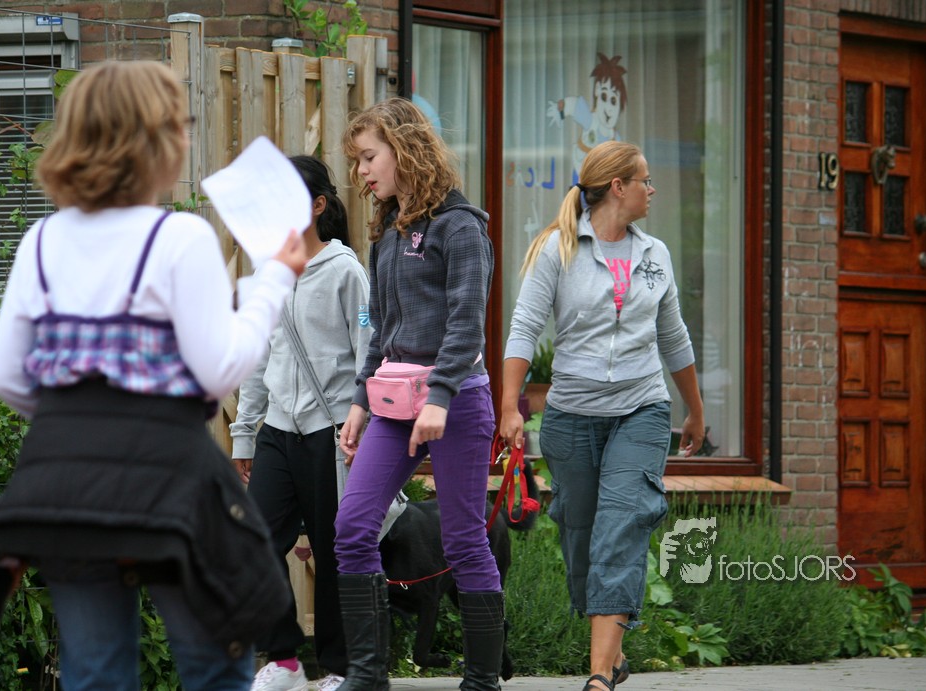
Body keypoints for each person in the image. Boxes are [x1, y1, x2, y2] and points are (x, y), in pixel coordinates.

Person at [0, 61, 308, 691]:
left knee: (94, 675)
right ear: (152, 140)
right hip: (169, 482)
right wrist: (276, 277)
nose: (185, 138)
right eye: (179, 125)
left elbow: (7, 375)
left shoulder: (41, 241)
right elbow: (219, 370)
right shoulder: (178, 238)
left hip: (67, 486)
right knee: (214, 666)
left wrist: (86, 416)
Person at [499, 140, 705, 691]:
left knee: (622, 525)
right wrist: (510, 406)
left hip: (641, 409)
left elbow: (673, 336)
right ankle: (613, 653)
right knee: (581, 534)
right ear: (618, 187)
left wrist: (694, 410)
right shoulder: (557, 249)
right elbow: (524, 327)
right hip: (572, 416)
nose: (652, 189)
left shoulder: (654, 255)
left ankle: (597, 677)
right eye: (645, 180)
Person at [335, 97, 499, 691]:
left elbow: (466, 322)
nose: (361, 172)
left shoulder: (461, 226)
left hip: (456, 402)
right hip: (393, 404)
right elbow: (380, 330)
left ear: (405, 150)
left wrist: (442, 395)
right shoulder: (386, 233)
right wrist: (360, 401)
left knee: (464, 540)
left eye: (368, 157)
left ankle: (482, 681)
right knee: (353, 528)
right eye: (357, 162)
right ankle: (367, 675)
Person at [231, 155, 370, 691]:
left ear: (316, 205)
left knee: (334, 552)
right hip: (277, 432)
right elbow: (259, 358)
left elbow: (367, 350)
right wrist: (245, 433)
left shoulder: (346, 272)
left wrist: (361, 416)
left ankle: (338, 668)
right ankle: (285, 659)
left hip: (331, 432)